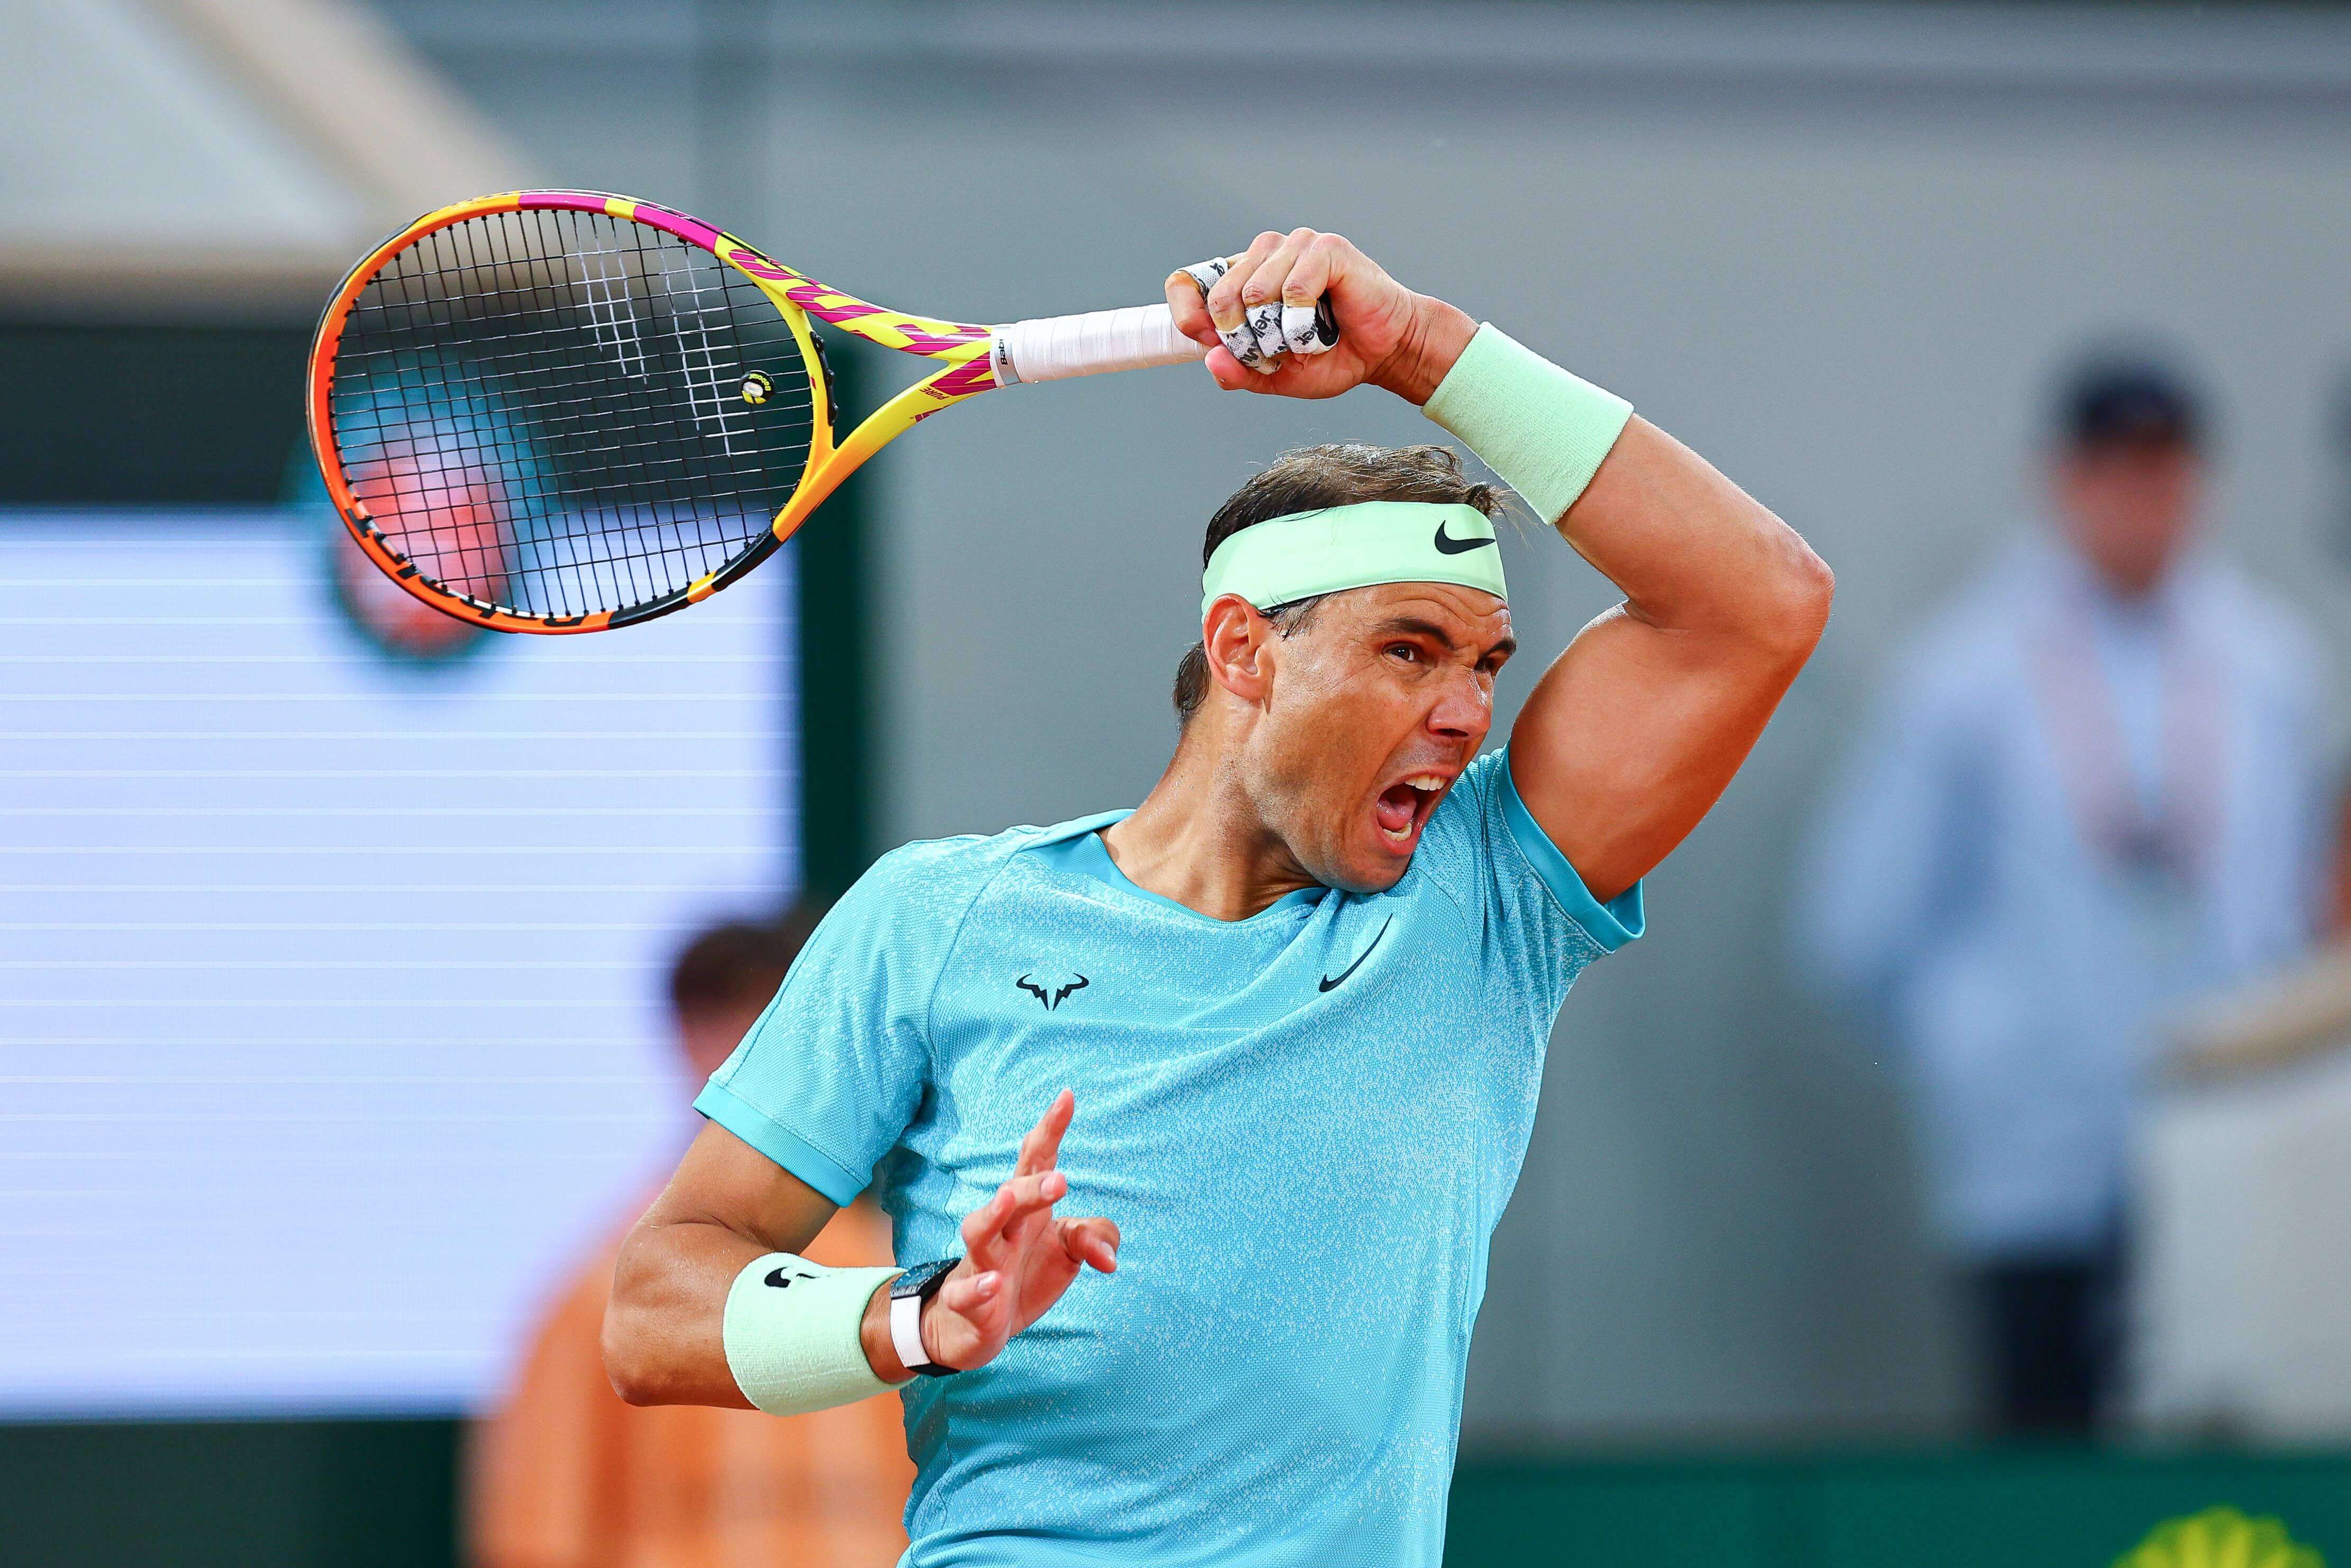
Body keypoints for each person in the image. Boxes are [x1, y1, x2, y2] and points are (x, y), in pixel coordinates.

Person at [602, 228, 1834, 1566]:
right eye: (1407, 650)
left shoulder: (1485, 892)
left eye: (1485, 662)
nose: (1464, 708)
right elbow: (654, 1303)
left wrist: (1415, 345)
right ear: (1244, 650)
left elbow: (1756, 598)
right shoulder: (938, 916)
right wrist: (917, 1315)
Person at [1797, 356, 2327, 1435]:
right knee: (2043, 1450)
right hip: (2030, 1153)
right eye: (2113, 472)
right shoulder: (1962, 674)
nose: (2140, 503)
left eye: (2162, 473)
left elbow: (2303, 909)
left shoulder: (2270, 666)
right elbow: (1852, 925)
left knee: (2228, 1440)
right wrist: (1979, 1050)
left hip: (2233, 1141)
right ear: (2059, 479)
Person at [469, 911, 914, 1568]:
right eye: (725, 1026)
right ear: (685, 1039)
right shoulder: (603, 1299)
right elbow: (541, 1534)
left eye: (775, 1029)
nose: (748, 1062)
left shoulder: (902, 1275)